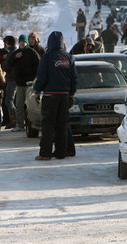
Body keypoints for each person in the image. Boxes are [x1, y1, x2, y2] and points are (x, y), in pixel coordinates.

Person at [33, 31, 77, 160]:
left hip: (50, 96)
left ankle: (45, 153)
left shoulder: (47, 57)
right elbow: (74, 77)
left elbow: (42, 77)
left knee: (48, 125)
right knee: (62, 125)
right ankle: (61, 152)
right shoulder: (69, 57)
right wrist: (72, 92)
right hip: (64, 96)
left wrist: (37, 90)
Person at [7, 34, 39, 132]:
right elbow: (8, 65)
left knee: (30, 105)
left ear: (26, 42)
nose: (22, 43)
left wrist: (34, 78)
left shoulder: (31, 52)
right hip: (20, 84)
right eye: (20, 41)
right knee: (19, 104)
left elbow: (38, 64)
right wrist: (15, 57)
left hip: (30, 83)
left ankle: (31, 124)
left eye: (23, 41)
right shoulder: (16, 53)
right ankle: (20, 124)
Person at [0, 35, 17, 129]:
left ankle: (13, 121)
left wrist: (2, 63)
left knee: (9, 100)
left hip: (11, 79)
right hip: (15, 79)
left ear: (8, 43)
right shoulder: (15, 52)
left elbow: (6, 67)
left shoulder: (11, 53)